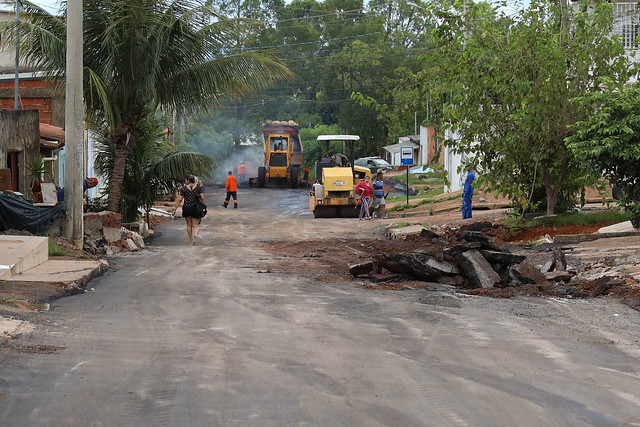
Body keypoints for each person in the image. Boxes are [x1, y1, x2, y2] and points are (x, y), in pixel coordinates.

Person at [172, 175, 205, 245]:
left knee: (189, 225)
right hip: (195, 208)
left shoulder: (184, 189)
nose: (185, 181)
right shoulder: (198, 188)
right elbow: (202, 198)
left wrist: (175, 209)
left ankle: (191, 241)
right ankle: (195, 235)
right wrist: (203, 206)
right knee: (196, 225)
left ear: (188, 181)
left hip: (187, 208)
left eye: (186, 180)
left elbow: (180, 200)